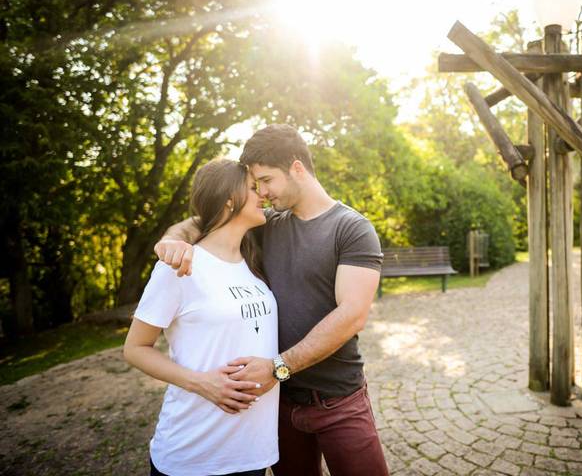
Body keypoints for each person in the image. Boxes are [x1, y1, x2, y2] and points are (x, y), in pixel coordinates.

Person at [155, 124, 388, 476]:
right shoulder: (268, 224)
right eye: (256, 184)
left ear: (296, 168)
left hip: (339, 400)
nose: (261, 192)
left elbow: (352, 315)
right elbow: (208, 219)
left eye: (266, 180)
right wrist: (172, 240)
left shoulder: (351, 228)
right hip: (277, 407)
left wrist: (278, 367)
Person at [124, 159, 279, 476]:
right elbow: (135, 348)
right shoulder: (181, 265)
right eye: (253, 188)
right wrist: (202, 383)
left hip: (252, 453)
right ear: (228, 199)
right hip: (193, 454)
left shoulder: (252, 263)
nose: (263, 193)